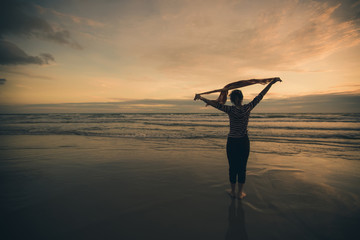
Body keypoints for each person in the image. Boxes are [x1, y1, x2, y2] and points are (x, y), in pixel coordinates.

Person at [194, 78, 282, 199]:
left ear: (232, 100)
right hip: (243, 142)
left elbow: (215, 104)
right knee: (242, 167)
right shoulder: (248, 108)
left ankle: (233, 191)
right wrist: (271, 83)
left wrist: (201, 98)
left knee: (233, 167)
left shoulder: (230, 109)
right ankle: (240, 193)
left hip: (232, 142)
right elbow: (260, 95)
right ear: (240, 98)